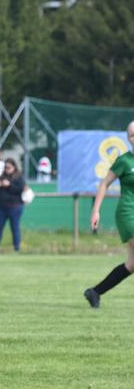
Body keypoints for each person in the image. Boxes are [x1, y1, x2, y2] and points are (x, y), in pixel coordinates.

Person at [85, 122, 134, 308]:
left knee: (132, 264)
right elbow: (104, 184)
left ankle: (95, 292)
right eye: (132, 135)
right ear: (128, 138)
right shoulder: (124, 161)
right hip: (128, 213)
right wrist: (96, 210)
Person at [0, 158, 25, 253]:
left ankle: (17, 248)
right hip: (2, 207)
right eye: (5, 167)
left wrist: (9, 185)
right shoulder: (2, 176)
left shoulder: (18, 177)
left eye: (9, 167)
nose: (7, 169)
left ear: (14, 167)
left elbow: (20, 189)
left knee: (15, 228)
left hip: (15, 207)